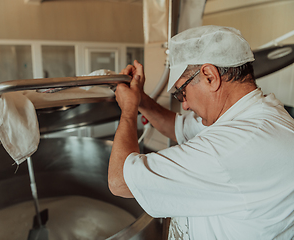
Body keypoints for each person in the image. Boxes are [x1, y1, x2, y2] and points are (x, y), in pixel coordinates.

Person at [108, 25, 294, 240]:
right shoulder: (252, 115)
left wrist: (128, 110)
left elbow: (119, 181)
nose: (184, 105)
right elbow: (177, 127)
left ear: (209, 76)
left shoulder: (237, 145)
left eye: (182, 91)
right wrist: (139, 98)